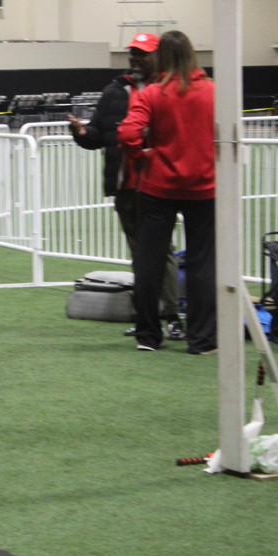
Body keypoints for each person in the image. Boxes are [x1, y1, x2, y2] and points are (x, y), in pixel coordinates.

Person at [67, 33, 184, 342]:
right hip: (125, 187)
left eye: (143, 53)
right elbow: (98, 135)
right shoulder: (114, 92)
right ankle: (146, 317)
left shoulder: (168, 89)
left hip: (158, 184)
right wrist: (81, 132)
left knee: (163, 251)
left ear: (158, 57)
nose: (136, 58)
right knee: (139, 254)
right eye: (133, 52)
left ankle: (172, 316)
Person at [118, 30, 215, 354]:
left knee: (149, 261)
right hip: (204, 187)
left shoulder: (152, 94)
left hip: (157, 186)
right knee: (202, 263)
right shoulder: (213, 92)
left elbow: (128, 133)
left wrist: (140, 155)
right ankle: (201, 340)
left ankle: (148, 336)